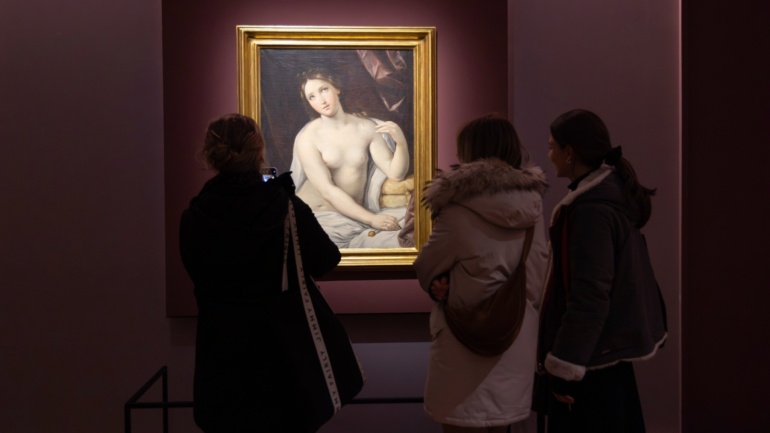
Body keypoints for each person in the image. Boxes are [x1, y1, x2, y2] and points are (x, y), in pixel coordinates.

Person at [179, 113, 341, 432]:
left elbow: (197, 276)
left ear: (211, 155)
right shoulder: (285, 207)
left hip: (221, 358)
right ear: (259, 152)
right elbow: (326, 259)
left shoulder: (195, 215)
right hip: (281, 357)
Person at [413, 114, 549, 433]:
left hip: (466, 341)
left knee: (462, 425)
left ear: (470, 153)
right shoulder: (533, 208)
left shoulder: (458, 208)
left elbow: (427, 266)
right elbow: (538, 273)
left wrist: (441, 284)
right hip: (514, 338)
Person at [535, 109, 668, 432]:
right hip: (602, 360)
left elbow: (589, 296)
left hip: (590, 368)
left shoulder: (590, 212)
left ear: (569, 153)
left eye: (552, 147)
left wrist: (564, 368)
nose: (548, 155)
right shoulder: (605, 199)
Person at [290, 68, 411, 248]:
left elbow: (396, 174)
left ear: (336, 88)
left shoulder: (366, 127)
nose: (321, 100)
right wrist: (371, 219)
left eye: (324, 89)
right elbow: (327, 191)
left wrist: (401, 143)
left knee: (415, 222)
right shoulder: (308, 137)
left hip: (354, 216)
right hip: (317, 217)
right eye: (312, 97)